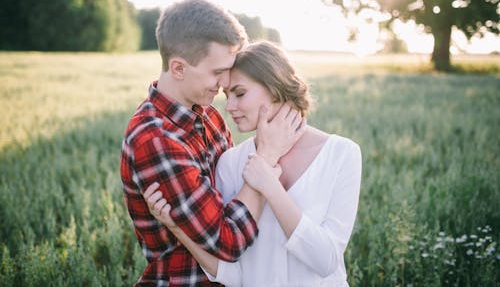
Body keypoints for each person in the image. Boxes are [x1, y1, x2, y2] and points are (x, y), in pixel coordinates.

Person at [145, 41, 363, 286]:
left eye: (240, 93)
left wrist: (269, 185)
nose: (229, 107)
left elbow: (326, 261)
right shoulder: (230, 162)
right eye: (227, 96)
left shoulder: (341, 154)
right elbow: (233, 273)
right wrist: (176, 228)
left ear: (275, 86)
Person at [120, 0, 305, 286]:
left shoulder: (210, 117)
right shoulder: (156, 139)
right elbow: (228, 241)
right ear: (179, 68)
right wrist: (266, 158)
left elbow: (233, 198)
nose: (225, 82)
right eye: (217, 72)